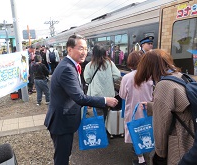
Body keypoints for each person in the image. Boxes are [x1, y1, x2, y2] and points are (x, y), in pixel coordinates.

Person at [44, 34, 118, 165]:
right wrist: (105, 100)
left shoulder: (70, 65)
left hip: (63, 120)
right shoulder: (67, 69)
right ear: (69, 49)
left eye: (85, 48)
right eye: (80, 48)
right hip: (62, 122)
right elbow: (79, 97)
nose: (84, 52)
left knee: (64, 154)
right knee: (61, 158)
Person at [134, 49, 194, 165]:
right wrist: (152, 106)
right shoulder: (180, 76)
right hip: (191, 133)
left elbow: (161, 125)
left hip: (180, 140)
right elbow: (178, 106)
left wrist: (160, 153)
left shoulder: (164, 85)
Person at [119, 51, 153, 165]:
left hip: (133, 111)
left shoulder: (127, 78)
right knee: (147, 131)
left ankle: (139, 159)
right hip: (148, 111)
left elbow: (122, 95)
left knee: (135, 133)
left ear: (130, 63)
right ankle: (146, 156)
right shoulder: (150, 76)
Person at [84, 44, 121, 122]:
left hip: (96, 96)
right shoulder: (110, 63)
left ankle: (101, 130)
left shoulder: (89, 65)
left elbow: (87, 80)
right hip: (109, 95)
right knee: (108, 114)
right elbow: (117, 75)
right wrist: (110, 80)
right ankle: (107, 128)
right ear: (105, 53)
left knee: (99, 116)